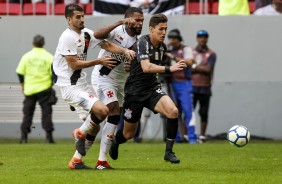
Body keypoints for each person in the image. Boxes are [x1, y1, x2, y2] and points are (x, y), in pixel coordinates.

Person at [52, 4, 135, 170]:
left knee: (95, 126)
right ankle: (79, 133)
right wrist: (99, 61)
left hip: (82, 86)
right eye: (78, 17)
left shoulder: (86, 33)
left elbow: (106, 45)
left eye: (83, 16)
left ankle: (76, 161)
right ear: (69, 19)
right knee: (104, 111)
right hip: (70, 87)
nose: (82, 19)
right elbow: (74, 64)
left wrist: (124, 51)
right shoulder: (67, 37)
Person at [109, 14, 187, 164]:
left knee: (173, 111)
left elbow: (154, 69)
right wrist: (170, 68)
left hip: (152, 89)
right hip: (135, 92)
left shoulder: (163, 47)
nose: (164, 32)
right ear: (151, 29)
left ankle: (169, 152)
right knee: (128, 133)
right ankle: (116, 142)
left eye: (165, 29)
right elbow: (146, 67)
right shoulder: (142, 43)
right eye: (160, 29)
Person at [91, 7, 144, 170]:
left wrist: (130, 67)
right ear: (128, 20)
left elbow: (136, 65)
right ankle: (101, 161)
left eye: (142, 20)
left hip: (121, 83)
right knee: (113, 112)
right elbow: (97, 35)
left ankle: (84, 133)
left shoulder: (141, 40)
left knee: (107, 116)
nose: (140, 23)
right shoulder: (117, 31)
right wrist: (119, 22)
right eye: (137, 20)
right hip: (103, 78)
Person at [16, 34, 55, 144]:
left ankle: (24, 137)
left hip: (29, 90)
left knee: (27, 114)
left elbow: (20, 72)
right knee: (47, 113)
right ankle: (49, 137)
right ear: (43, 44)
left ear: (33, 43)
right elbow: (54, 73)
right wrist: (50, 85)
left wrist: (23, 85)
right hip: (45, 89)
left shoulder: (26, 56)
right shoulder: (49, 56)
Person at [165, 29, 197, 144]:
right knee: (174, 111)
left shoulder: (185, 49)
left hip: (184, 83)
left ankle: (192, 137)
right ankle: (176, 137)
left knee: (188, 110)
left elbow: (189, 62)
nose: (172, 41)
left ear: (179, 39)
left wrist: (173, 58)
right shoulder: (167, 48)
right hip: (171, 82)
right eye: (171, 39)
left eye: (174, 39)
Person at [192, 30, 216, 143]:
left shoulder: (211, 54)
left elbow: (209, 69)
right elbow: (188, 68)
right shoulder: (192, 52)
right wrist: (200, 67)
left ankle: (202, 136)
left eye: (204, 37)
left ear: (207, 38)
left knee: (203, 113)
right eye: (200, 37)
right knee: (189, 112)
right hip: (192, 86)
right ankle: (189, 135)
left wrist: (194, 66)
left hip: (205, 87)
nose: (202, 39)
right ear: (197, 38)